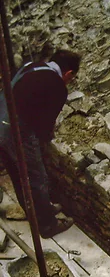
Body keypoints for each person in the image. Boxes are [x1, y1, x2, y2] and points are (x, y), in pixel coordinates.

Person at [0, 49, 80, 238]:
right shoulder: (58, 87)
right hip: (14, 130)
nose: (70, 81)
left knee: (17, 175)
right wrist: (41, 144)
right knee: (36, 178)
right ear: (68, 73)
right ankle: (47, 225)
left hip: (0, 120)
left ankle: (35, 212)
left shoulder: (33, 65)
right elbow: (45, 127)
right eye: (72, 77)